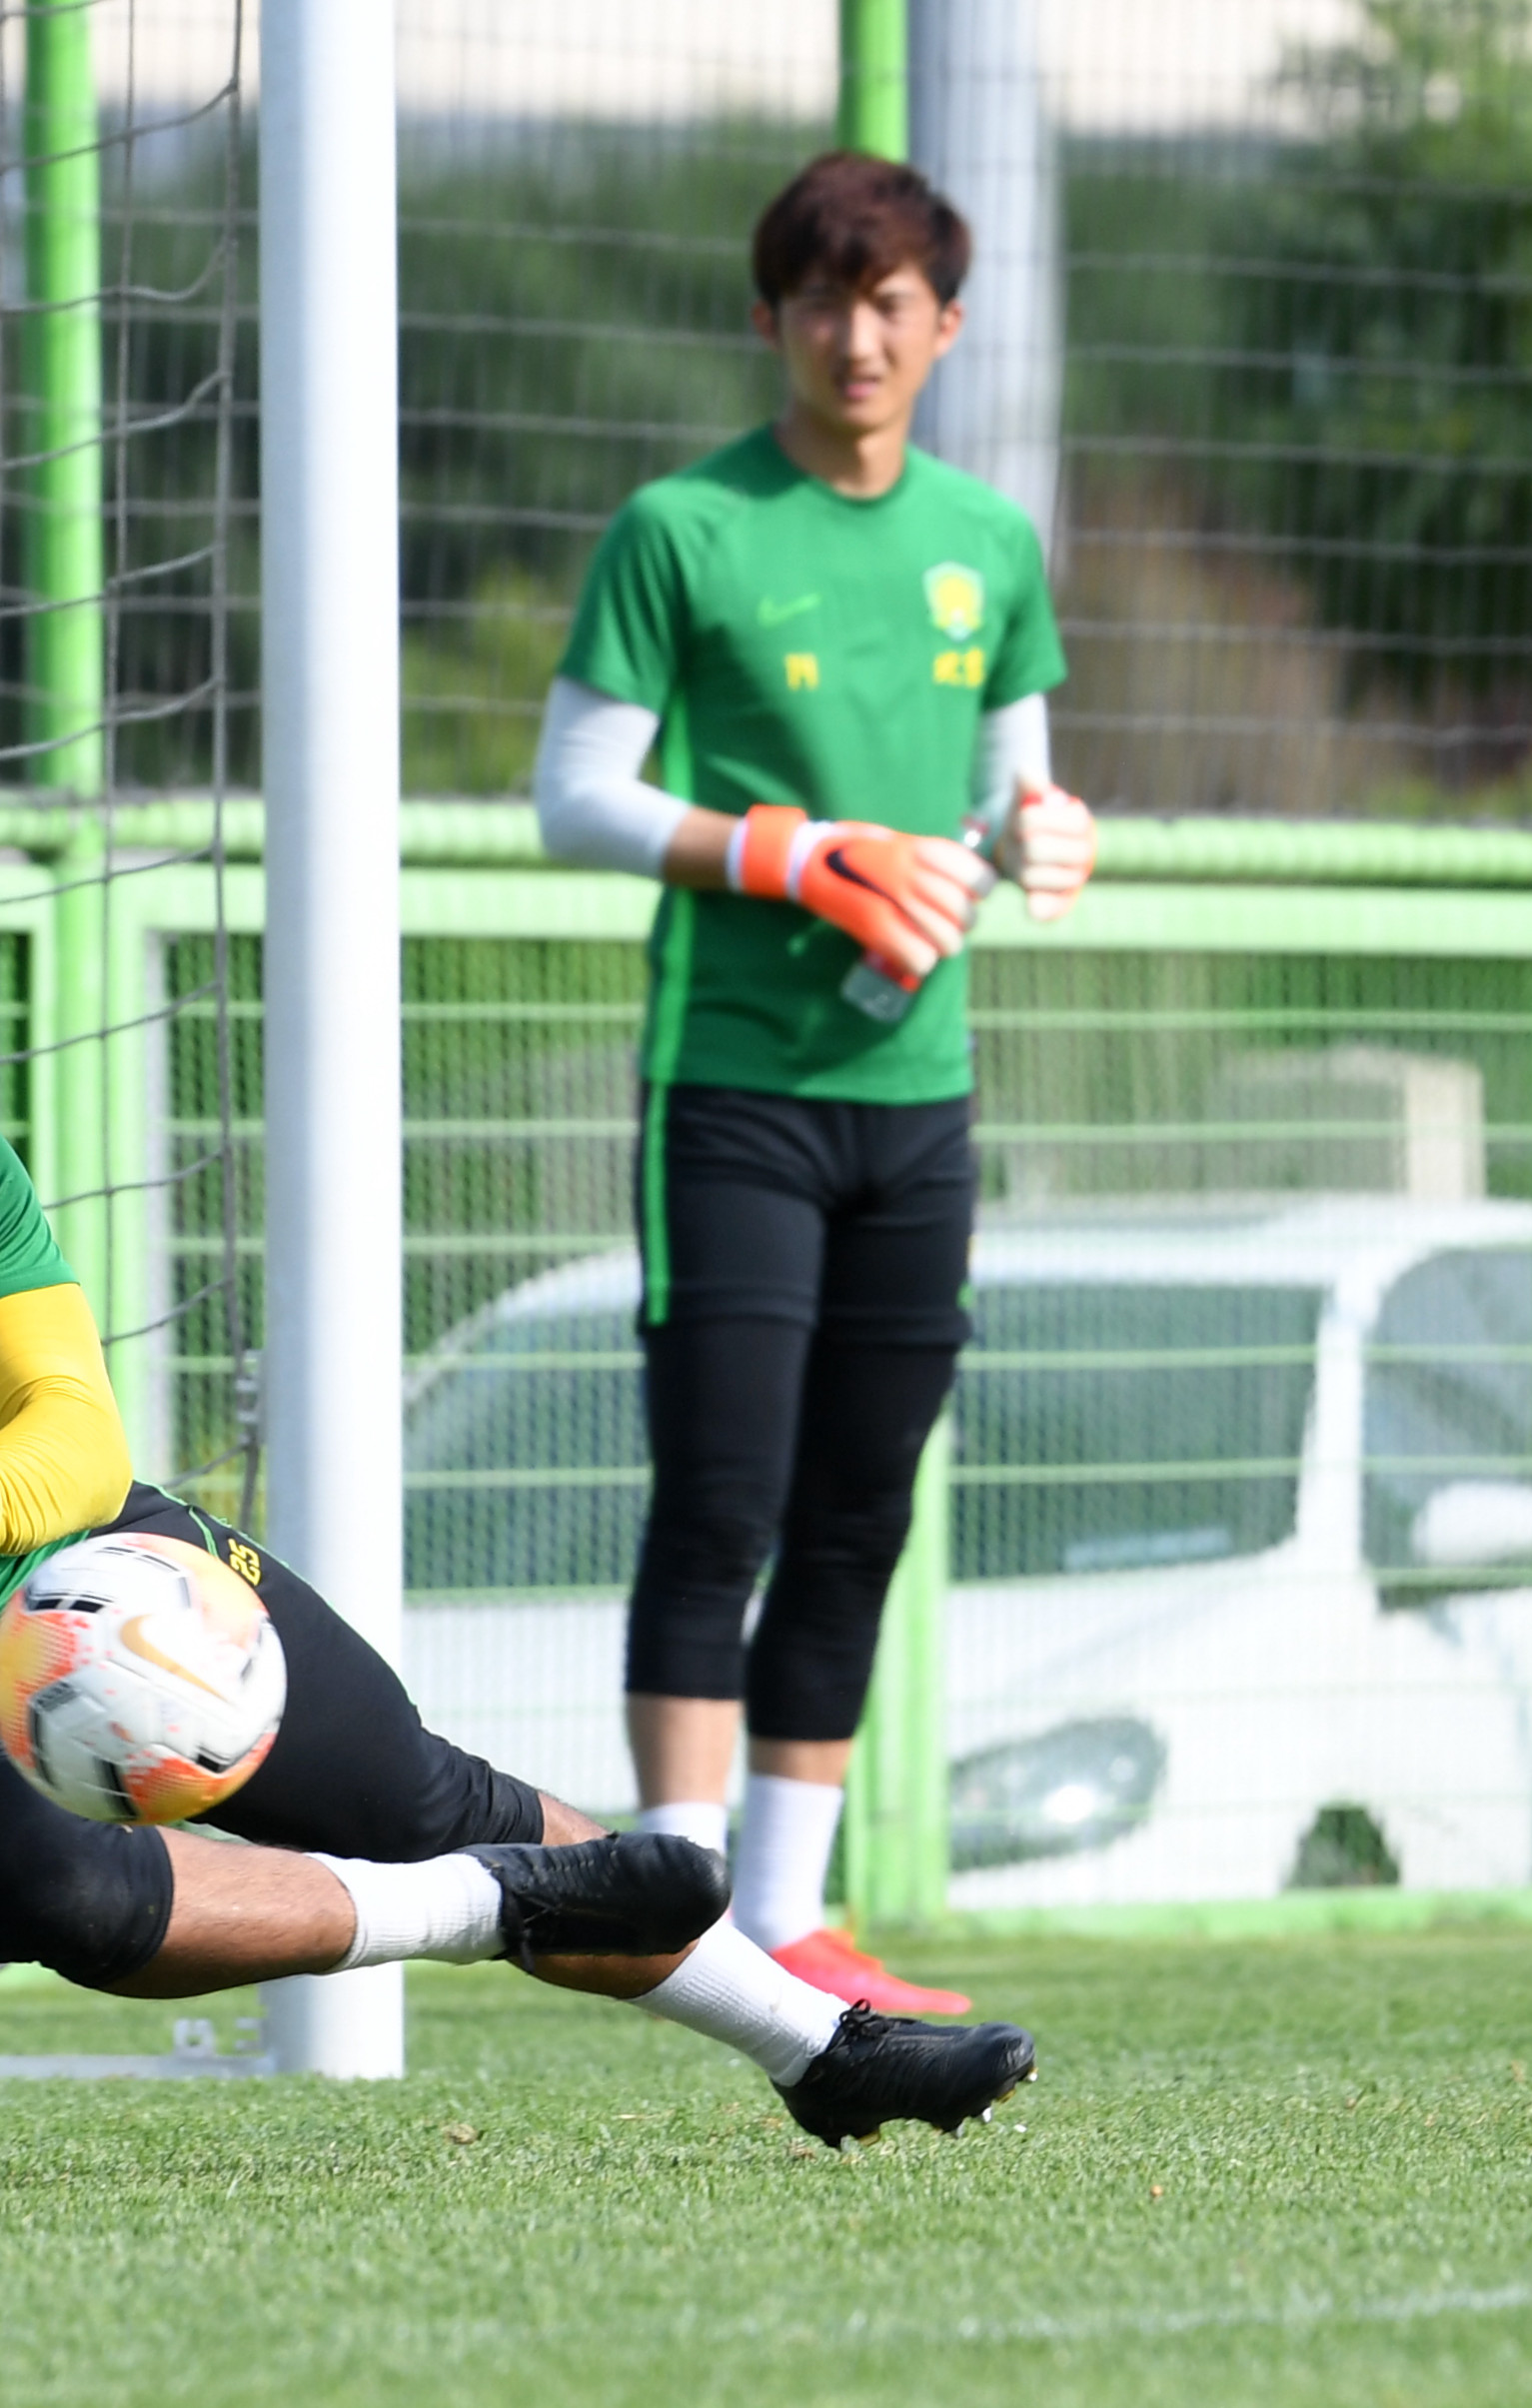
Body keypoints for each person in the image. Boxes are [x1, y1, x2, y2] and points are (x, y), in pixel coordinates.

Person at [0, 861, 1038, 2144]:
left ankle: (819, 2047)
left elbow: (82, 1441)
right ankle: (479, 1914)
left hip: (93, 1570)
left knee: (417, 1785)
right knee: (66, 1896)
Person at [532, 153, 1098, 2014]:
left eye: (892, 303)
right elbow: (575, 799)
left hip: (915, 1097)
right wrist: (795, 852)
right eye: (820, 300)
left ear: (943, 325)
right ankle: (672, 1908)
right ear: (767, 317)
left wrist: (1045, 831)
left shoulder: (986, 541)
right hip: (736, 1090)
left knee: (862, 1502)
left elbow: (1013, 790)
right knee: (721, 1495)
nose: (856, 336)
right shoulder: (682, 529)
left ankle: (788, 1910)